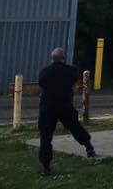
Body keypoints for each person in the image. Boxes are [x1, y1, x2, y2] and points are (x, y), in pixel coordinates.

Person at [38, 48, 95, 177]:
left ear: (51, 59)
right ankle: (89, 147)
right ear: (63, 58)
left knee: (45, 136)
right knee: (75, 127)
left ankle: (46, 166)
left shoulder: (45, 72)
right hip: (64, 105)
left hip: (48, 107)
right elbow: (74, 79)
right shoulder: (71, 71)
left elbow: (41, 84)